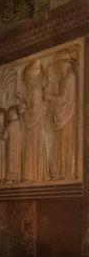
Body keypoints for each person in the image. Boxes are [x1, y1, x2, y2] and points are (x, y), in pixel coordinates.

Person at [49, 51, 79, 180]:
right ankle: (61, 172)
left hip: (67, 116)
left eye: (59, 65)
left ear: (65, 64)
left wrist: (49, 96)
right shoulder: (66, 77)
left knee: (65, 142)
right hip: (64, 116)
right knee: (62, 142)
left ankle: (66, 172)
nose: (58, 68)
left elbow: (64, 99)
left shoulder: (70, 77)